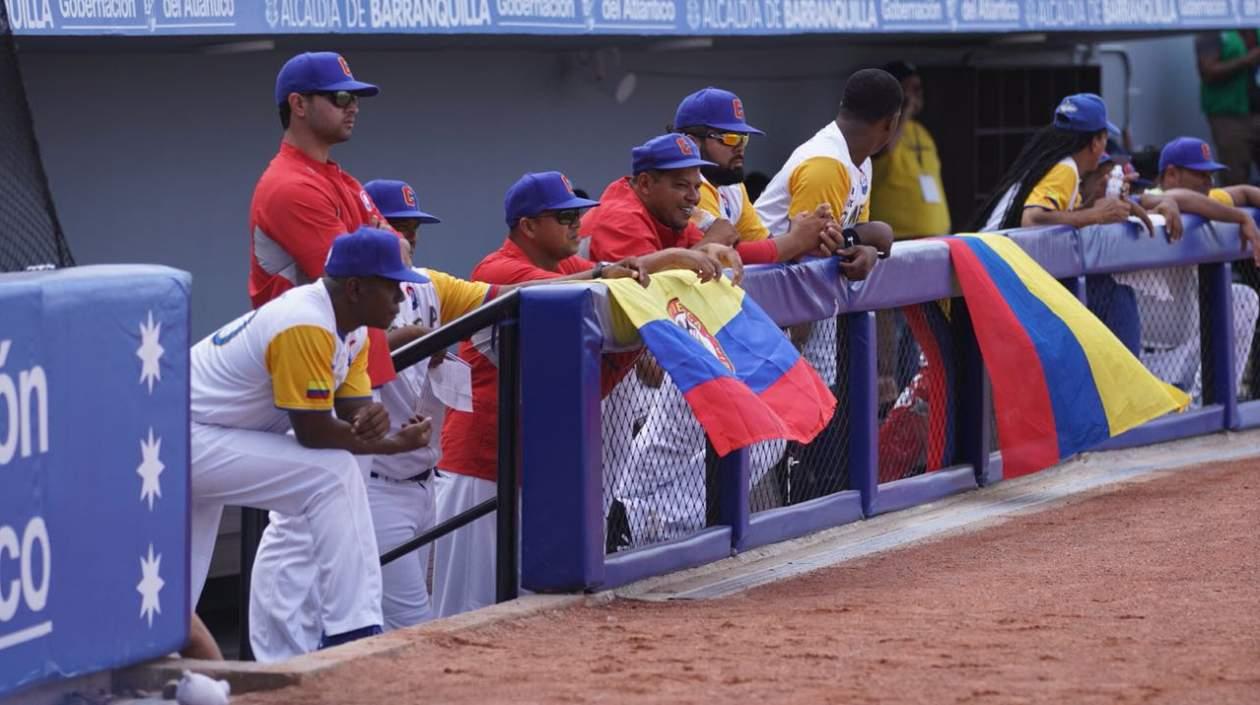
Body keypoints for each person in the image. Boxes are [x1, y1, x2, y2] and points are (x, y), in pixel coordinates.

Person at [433, 171, 729, 617]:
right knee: (469, 606)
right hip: (482, 464)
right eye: (564, 216)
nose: (577, 225)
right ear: (528, 226)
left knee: (528, 605)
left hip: (533, 465)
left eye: (579, 215)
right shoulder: (497, 267)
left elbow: (616, 289)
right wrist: (666, 258)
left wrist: (683, 258)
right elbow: (574, 294)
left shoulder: (569, 266)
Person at [246, 180, 493, 659]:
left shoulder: (421, 287)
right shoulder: (332, 304)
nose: (408, 237)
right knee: (406, 627)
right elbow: (322, 415)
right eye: (395, 225)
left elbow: (500, 296)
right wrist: (417, 339)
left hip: (420, 480)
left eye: (413, 227)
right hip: (375, 483)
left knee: (373, 620)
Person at [190, 227, 433, 655]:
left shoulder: (353, 330)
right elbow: (315, 432)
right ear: (355, 287)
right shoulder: (305, 320)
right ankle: (352, 630)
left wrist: (379, 425)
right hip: (183, 438)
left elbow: (353, 415)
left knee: (172, 595)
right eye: (392, 287)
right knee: (333, 471)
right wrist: (392, 445)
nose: (401, 297)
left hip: (214, 438)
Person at [247, 51, 399, 388]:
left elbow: (398, 253)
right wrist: (378, 246)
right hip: (306, 371)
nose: (353, 107)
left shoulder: (341, 179)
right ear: (299, 104)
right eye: (340, 97)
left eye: (355, 98)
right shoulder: (289, 185)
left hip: (349, 367)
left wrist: (382, 248)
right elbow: (355, 282)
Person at [970, 93, 1155, 355]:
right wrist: (1097, 214)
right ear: (1095, 142)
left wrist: (1095, 201)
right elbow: (1033, 218)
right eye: (1104, 140)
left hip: (986, 271)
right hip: (989, 272)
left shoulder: (1058, 164)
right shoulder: (1065, 168)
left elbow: (1054, 215)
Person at [583, 133, 848, 266]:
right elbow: (650, 283)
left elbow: (733, 253)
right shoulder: (622, 216)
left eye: (697, 186)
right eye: (681, 186)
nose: (693, 196)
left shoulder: (665, 213)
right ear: (644, 183)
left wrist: (797, 242)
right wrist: (712, 241)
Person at [1127, 137, 1260, 401]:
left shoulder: (1205, 200)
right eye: (1200, 175)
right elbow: (1176, 198)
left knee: (1243, 298)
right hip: (1144, 361)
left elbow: (1244, 192)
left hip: (1188, 348)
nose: (1209, 184)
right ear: (1172, 174)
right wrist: (1241, 217)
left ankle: (1211, 402)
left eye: (1211, 175)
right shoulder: (1151, 201)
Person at [869, 61, 951, 240]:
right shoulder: (879, 127)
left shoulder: (921, 131)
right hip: (898, 239)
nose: (918, 93)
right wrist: (902, 109)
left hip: (936, 236)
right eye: (911, 88)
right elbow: (884, 150)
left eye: (919, 87)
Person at [1195, 30, 1260, 185]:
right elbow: (1208, 71)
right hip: (1229, 116)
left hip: (1256, 110)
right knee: (1236, 176)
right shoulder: (1214, 28)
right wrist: (1247, 60)